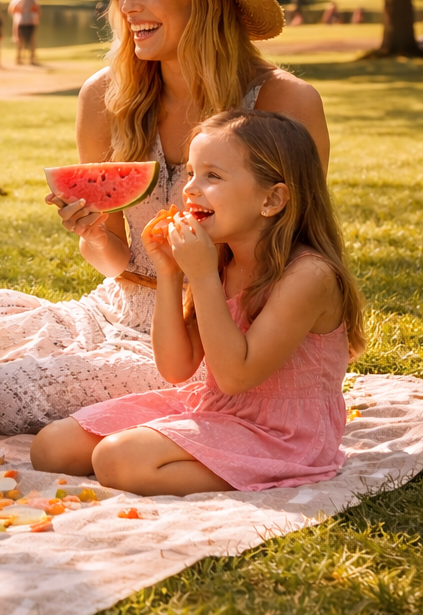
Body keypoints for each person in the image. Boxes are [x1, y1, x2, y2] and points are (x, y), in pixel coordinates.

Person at [0, 0, 329, 435]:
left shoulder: (285, 103)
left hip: (203, 335)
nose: (128, 6)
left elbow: (291, 256)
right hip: (112, 306)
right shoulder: (104, 96)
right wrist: (91, 231)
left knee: (1, 396)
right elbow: (116, 259)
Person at [29, 110, 363, 494]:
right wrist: (170, 272)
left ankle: (265, 470)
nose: (190, 189)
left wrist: (202, 275)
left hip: (285, 434)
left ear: (272, 199)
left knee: (117, 460)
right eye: (190, 173)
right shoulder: (222, 259)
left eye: (213, 176)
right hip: (215, 408)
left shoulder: (309, 276)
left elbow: (237, 376)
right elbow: (176, 368)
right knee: (52, 446)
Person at [9, 0, 42, 65]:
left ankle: (19, 58)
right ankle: (31, 57)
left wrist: (18, 15)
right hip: (30, 21)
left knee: (20, 40)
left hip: (21, 21)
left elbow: (11, 10)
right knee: (31, 39)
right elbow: (38, 11)